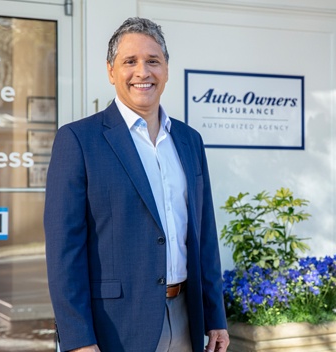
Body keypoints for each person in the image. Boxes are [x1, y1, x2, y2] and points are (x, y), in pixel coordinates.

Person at [44, 17, 229, 352]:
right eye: (130, 61)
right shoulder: (78, 140)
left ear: (167, 69)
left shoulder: (189, 140)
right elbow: (64, 252)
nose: (143, 72)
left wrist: (216, 316)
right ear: (111, 71)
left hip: (188, 318)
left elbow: (204, 235)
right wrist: (77, 340)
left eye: (153, 61)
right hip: (116, 325)